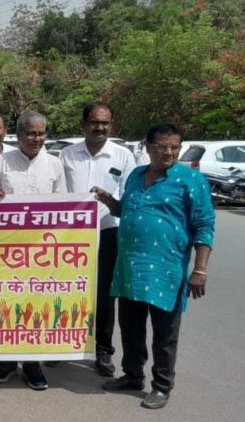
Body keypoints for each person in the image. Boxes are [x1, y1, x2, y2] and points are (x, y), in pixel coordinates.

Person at [95, 123, 214, 410]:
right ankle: (132, 376)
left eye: (174, 147)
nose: (168, 152)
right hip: (129, 267)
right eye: (161, 147)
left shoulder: (191, 180)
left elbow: (204, 224)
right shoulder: (136, 175)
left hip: (166, 270)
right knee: (130, 327)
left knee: (165, 332)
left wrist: (200, 269)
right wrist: (108, 200)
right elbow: (128, 209)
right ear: (147, 147)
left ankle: (161, 386)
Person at [0, 110, 65, 391]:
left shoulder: (55, 165)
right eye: (31, 133)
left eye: (41, 133)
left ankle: (32, 364)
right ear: (18, 136)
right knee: (7, 304)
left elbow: (64, 207)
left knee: (36, 306)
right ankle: (7, 362)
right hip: (7, 249)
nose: (36, 139)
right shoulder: (1, 163)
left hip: (41, 252)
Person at [58, 102, 136, 376]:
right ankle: (62, 346)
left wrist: (108, 199)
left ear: (111, 125)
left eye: (105, 123)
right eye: (94, 122)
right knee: (67, 288)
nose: (100, 127)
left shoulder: (123, 156)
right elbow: (58, 193)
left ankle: (103, 351)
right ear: (83, 124)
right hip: (71, 235)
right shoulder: (66, 155)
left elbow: (128, 197)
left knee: (104, 294)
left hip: (108, 231)